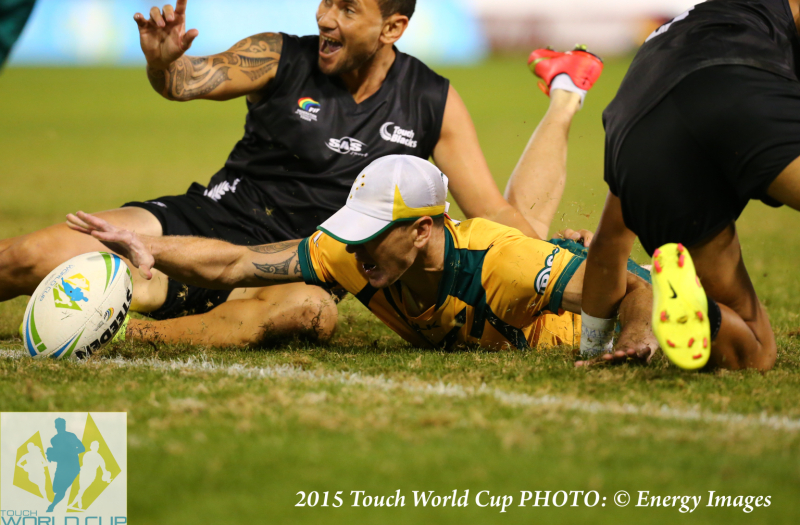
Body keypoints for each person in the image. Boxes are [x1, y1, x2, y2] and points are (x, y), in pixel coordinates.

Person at [0, 0, 603, 348]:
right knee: (24, 257)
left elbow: (489, 214)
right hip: (198, 222)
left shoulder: (430, 101)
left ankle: (565, 93)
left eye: (347, 8)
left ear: (392, 27)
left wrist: (547, 255)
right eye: (325, 2)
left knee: (312, 312)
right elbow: (186, 82)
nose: (324, 18)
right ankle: (567, 88)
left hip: (291, 266)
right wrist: (163, 65)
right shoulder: (279, 55)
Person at [67, 155, 656, 354]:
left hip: (575, 320)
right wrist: (149, 246)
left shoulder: (502, 265)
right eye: (356, 230)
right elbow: (234, 264)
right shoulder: (350, 252)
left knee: (627, 279)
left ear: (423, 230)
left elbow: (630, 292)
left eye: (377, 232)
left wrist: (636, 331)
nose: (360, 247)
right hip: (540, 270)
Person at [580, 0, 800, 370]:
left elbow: (609, 244)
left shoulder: (684, 27)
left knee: (758, 350)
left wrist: (591, 343)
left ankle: (702, 310)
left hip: (634, 127)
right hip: (735, 79)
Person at [45, 418, 84, 513]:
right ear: (56, 426)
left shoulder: (71, 436)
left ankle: (52, 506)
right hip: (61, 467)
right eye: (58, 425)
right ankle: (56, 503)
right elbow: (58, 455)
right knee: (55, 488)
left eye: (61, 425)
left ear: (64, 425)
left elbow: (82, 448)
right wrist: (50, 455)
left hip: (72, 467)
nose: (60, 427)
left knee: (61, 490)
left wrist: (70, 452)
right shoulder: (54, 440)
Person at [69, 441, 112, 511]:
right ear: (91, 447)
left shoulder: (99, 457)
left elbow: (104, 468)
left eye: (97, 447)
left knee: (82, 489)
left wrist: (107, 477)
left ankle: (73, 504)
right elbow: (84, 464)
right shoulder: (87, 454)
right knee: (81, 489)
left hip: (91, 474)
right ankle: (78, 502)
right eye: (94, 446)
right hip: (84, 472)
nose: (96, 448)